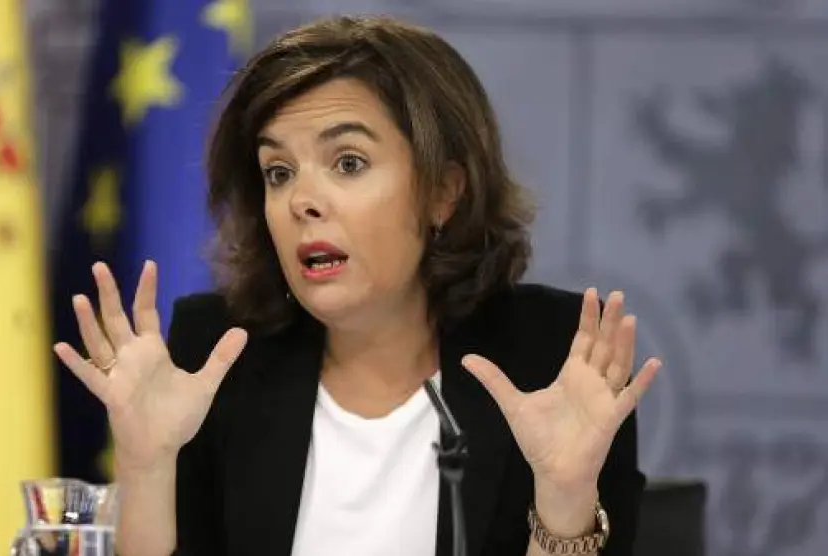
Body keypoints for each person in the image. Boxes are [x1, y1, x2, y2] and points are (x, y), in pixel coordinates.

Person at [53, 14, 661, 556]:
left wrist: (563, 500)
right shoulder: (216, 355)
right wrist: (146, 468)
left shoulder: (552, 360)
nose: (302, 200)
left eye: (348, 162)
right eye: (278, 172)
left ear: (443, 192)